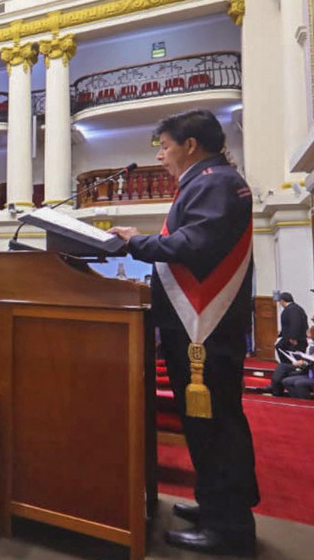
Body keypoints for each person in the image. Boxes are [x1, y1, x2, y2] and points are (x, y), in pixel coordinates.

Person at [110, 109, 258, 554]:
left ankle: (228, 525)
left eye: (165, 146)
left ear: (190, 145)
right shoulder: (210, 180)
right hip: (200, 330)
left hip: (204, 330)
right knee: (209, 425)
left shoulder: (212, 181)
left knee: (215, 426)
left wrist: (136, 241)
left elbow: (195, 245)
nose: (160, 156)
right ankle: (215, 504)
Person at [274, 292, 308, 364]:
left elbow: (295, 323)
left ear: (282, 301)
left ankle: (288, 366)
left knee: (284, 350)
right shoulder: (295, 308)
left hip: (294, 340)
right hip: (292, 338)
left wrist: (293, 337)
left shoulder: (292, 309)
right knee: (280, 347)